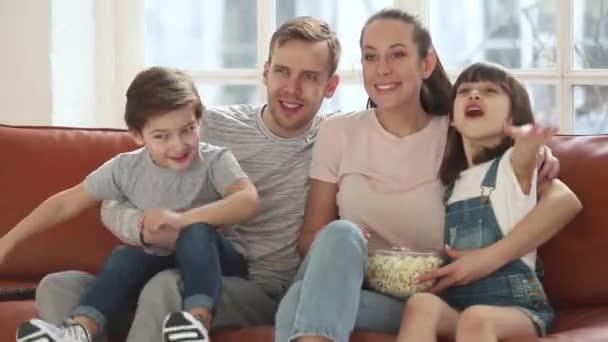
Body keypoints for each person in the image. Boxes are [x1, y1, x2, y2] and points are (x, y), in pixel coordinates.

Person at [274, 8, 580, 342]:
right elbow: (310, 239)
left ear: (426, 63)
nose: (382, 69)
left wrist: (484, 260)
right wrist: (352, 249)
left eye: (398, 54)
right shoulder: (337, 132)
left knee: (298, 302)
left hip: (426, 301)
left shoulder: (459, 132)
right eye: (370, 57)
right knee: (340, 236)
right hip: (359, 285)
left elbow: (562, 199)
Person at [32, 16, 341, 342]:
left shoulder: (337, 139)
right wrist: (139, 226)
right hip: (183, 262)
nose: (291, 88)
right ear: (266, 71)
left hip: (260, 287)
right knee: (57, 287)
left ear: (331, 86)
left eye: (309, 77)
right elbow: (119, 191)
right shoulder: (207, 125)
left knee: (167, 287)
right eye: (282, 71)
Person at [3, 67, 259, 342]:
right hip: (163, 262)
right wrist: (9, 241)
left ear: (199, 122)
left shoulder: (215, 160)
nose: (179, 145)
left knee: (196, 232)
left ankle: (195, 323)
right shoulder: (125, 169)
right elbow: (65, 204)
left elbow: (247, 199)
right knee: (124, 257)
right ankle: (80, 329)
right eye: (161, 136)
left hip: (214, 263)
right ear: (138, 135)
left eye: (188, 130)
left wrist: (182, 220)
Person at [396, 62, 581, 342]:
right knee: (421, 305)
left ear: (513, 119)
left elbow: (524, 156)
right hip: (460, 307)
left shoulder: (511, 169)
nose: (474, 95)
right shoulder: (452, 186)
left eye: (490, 91)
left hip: (518, 311)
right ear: (453, 120)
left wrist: (530, 141)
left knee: (477, 318)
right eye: (465, 91)